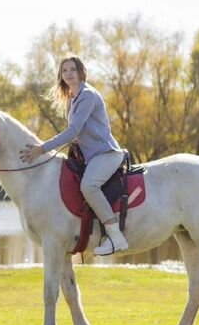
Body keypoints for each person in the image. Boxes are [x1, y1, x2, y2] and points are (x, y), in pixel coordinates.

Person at [19, 56, 128, 255]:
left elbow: (73, 130)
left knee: (89, 186)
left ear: (80, 72)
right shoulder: (72, 96)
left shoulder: (87, 95)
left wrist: (42, 149)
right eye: (64, 70)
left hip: (106, 153)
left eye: (72, 69)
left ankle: (116, 236)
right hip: (90, 156)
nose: (68, 74)